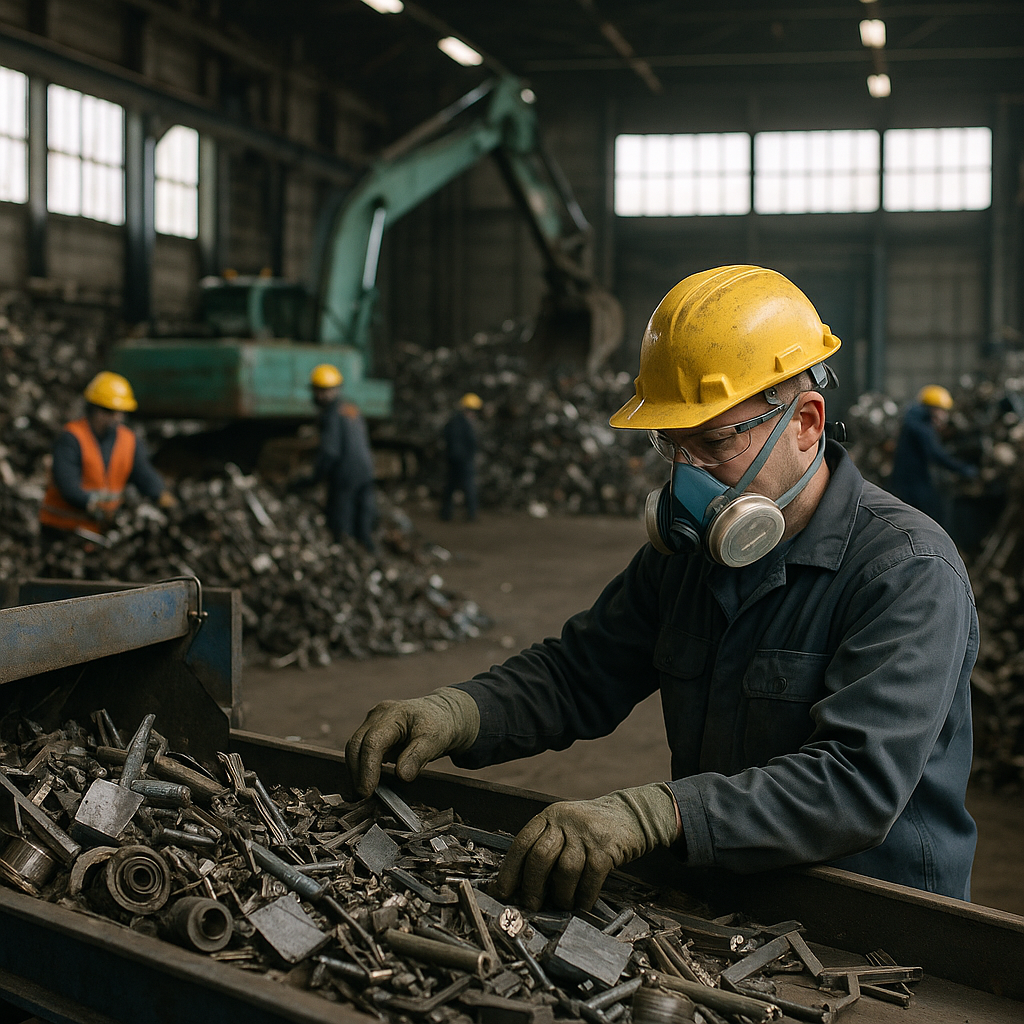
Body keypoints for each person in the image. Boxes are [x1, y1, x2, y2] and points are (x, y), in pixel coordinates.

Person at [346, 265, 979, 911]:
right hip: (727, 895)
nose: (687, 475)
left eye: (712, 443)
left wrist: (657, 814)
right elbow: (579, 674)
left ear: (807, 422)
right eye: (671, 445)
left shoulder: (906, 571)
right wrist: (459, 712)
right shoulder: (690, 556)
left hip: (877, 925)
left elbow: (855, 784)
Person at [39, 371, 174, 540]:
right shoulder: (72, 438)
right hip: (62, 529)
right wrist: (94, 507)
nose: (115, 418)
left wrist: (162, 495)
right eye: (108, 411)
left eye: (119, 412)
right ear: (93, 409)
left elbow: (143, 473)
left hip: (98, 532)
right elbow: (68, 485)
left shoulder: (128, 441)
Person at [293, 363, 377, 552]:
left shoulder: (330, 414)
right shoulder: (351, 408)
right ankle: (370, 555)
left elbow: (330, 452)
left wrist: (314, 478)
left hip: (346, 473)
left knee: (341, 519)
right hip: (366, 469)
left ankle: (345, 554)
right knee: (364, 518)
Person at [889, 384, 977, 524]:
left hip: (905, 480)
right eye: (943, 411)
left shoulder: (912, 420)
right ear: (933, 408)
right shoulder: (921, 427)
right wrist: (963, 469)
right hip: (914, 483)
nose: (944, 416)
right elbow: (935, 454)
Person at [440, 392, 482, 522]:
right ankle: (470, 513)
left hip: (455, 459)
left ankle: (446, 513)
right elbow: (457, 442)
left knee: (451, 487)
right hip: (461, 460)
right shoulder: (461, 423)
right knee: (468, 486)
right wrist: (462, 457)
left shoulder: (456, 421)